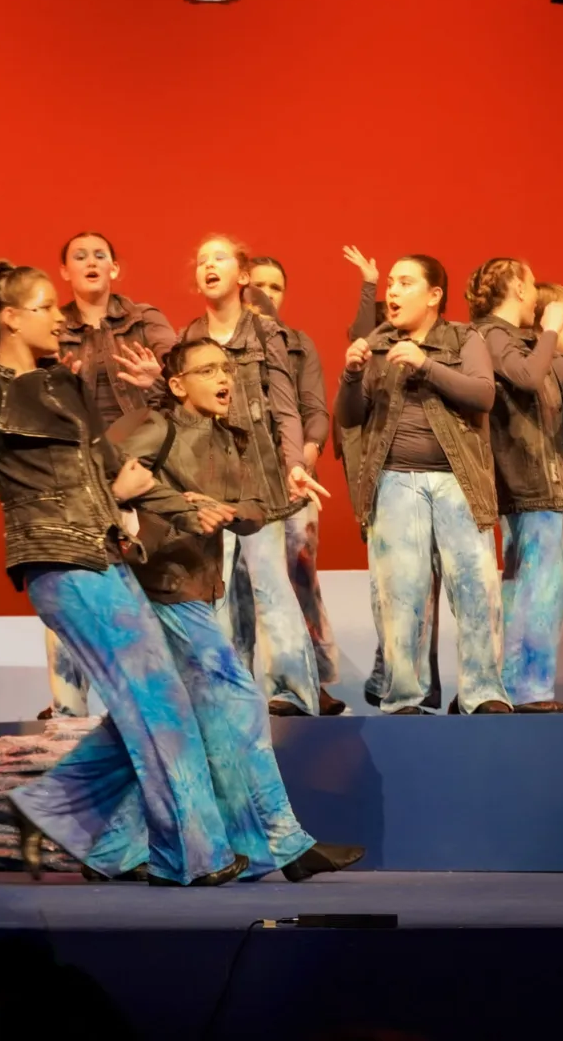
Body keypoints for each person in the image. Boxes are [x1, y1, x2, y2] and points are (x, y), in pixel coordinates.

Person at [0, 260, 246, 887]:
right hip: (55, 559)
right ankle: (191, 856)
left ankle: (71, 820)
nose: (60, 318)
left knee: (162, 697)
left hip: (106, 553)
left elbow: (118, 470)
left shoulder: (63, 384)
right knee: (156, 702)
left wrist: (185, 507)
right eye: (46, 307)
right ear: (11, 318)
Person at [82, 335, 364, 882]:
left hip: (196, 588)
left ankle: (111, 852)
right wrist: (176, 506)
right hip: (161, 587)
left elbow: (259, 508)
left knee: (170, 727)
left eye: (227, 369)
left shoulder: (231, 438)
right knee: (242, 702)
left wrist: (229, 511)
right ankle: (286, 844)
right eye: (208, 369)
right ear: (177, 384)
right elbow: (107, 482)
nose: (223, 378)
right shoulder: (157, 428)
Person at [336, 255, 513, 715]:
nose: (392, 292)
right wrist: (351, 376)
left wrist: (425, 365)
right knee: (401, 594)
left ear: (434, 295)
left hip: (458, 482)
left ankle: (482, 693)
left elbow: (484, 394)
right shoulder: (377, 345)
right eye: (390, 283)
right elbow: (351, 417)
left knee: (475, 590)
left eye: (405, 283)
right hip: (395, 482)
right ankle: (405, 696)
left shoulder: (464, 338)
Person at [183, 236, 328, 717]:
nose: (208, 265)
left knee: (270, 586)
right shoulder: (190, 338)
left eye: (219, 258)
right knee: (218, 590)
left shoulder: (266, 334)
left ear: (242, 275)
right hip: (209, 479)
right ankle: (229, 694)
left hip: (260, 479)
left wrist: (295, 464)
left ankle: (292, 692)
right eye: (202, 260)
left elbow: (287, 409)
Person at [41, 231, 179, 720]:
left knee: (145, 586)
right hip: (75, 470)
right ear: (65, 271)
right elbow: (29, 398)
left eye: (100, 255)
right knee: (68, 583)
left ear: (115, 268)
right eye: (79, 256)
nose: (91, 262)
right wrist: (56, 386)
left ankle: (154, 707)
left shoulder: (144, 319)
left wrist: (156, 382)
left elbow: (186, 379)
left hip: (139, 468)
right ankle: (68, 708)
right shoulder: (52, 326)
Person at [467, 261, 563, 712]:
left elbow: (561, 401)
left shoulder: (522, 342)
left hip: (542, 475)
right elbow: (525, 380)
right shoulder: (492, 335)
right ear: (520, 289)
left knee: (538, 583)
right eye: (529, 283)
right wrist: (549, 331)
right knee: (540, 586)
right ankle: (526, 688)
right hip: (524, 474)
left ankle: (517, 685)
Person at [246, 255, 345, 716]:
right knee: (240, 588)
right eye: (259, 284)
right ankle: (243, 687)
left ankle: (312, 681)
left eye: (276, 287)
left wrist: (300, 464)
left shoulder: (299, 344)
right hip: (239, 484)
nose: (267, 294)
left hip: (294, 481)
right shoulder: (216, 340)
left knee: (300, 579)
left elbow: (315, 413)